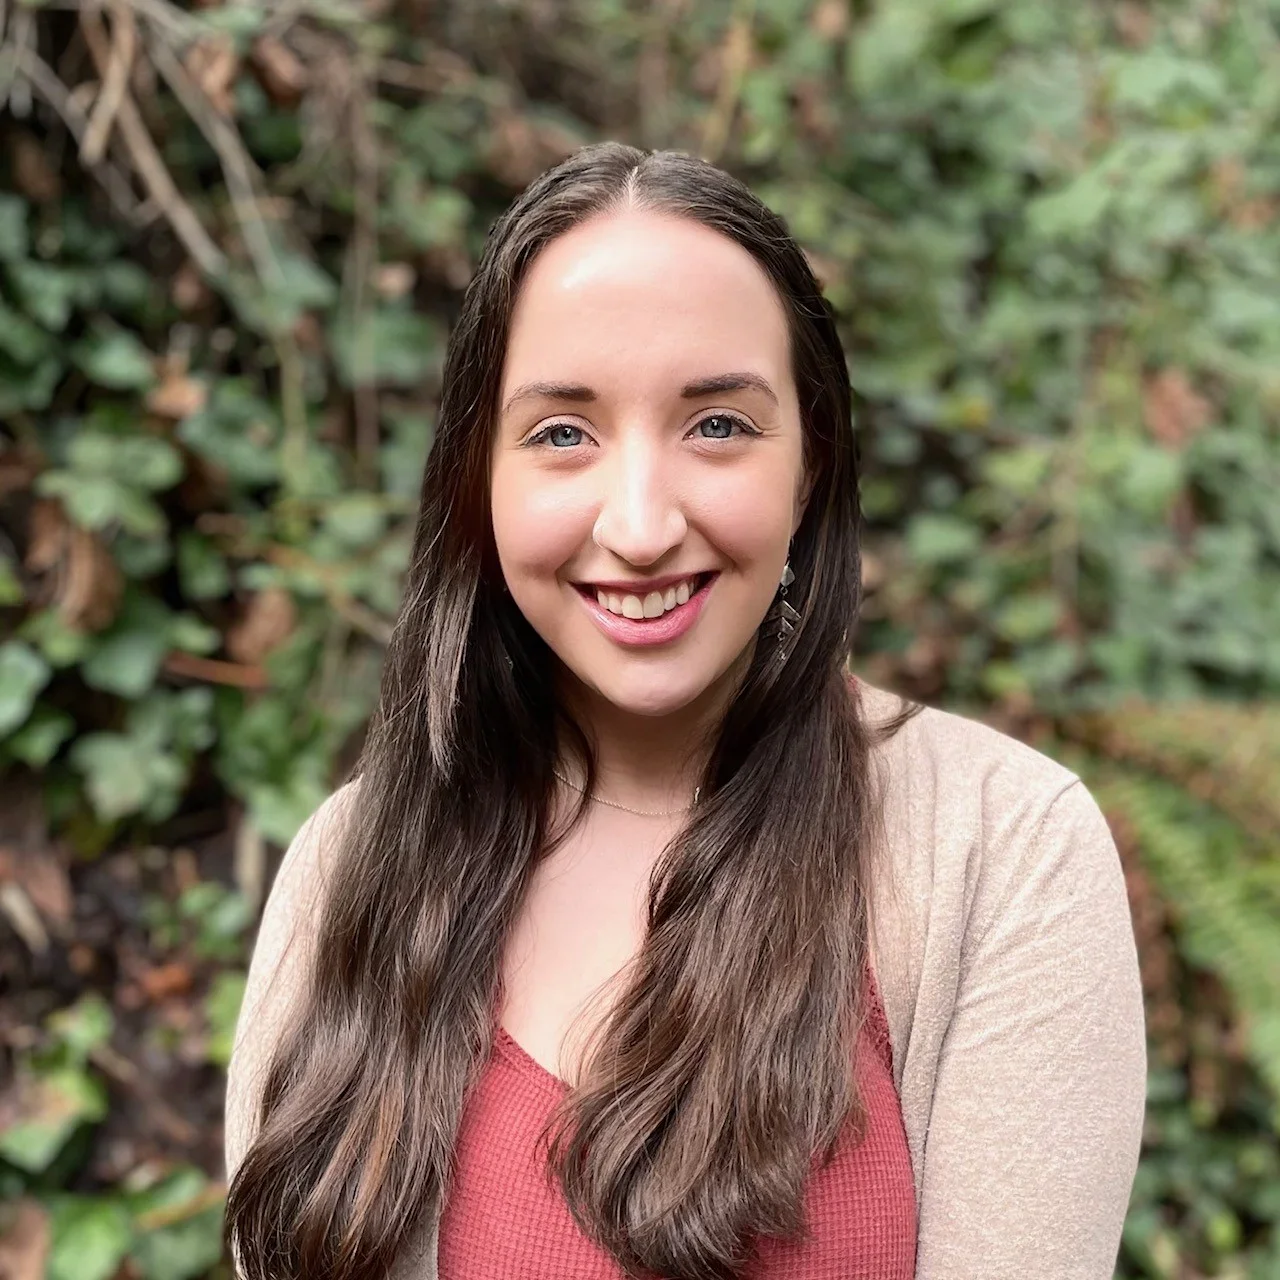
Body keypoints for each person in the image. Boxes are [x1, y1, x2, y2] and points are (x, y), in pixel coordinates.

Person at [222, 142, 1146, 1280]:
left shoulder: (1004, 848)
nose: (641, 522)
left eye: (717, 424)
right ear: (480, 477)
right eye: (562, 431)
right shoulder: (348, 869)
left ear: (808, 462)